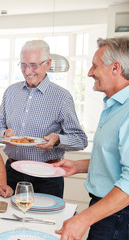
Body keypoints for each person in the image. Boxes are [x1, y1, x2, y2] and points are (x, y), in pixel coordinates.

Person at [54, 37, 129, 240]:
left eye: (95, 66)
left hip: (119, 215)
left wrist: (83, 219)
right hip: (108, 211)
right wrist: (79, 166)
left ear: (116, 68)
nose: (89, 72)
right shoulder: (114, 107)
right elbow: (116, 159)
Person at [0, 40, 88, 198]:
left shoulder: (62, 97)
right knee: (8, 220)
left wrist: (57, 139)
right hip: (11, 172)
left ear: (48, 63)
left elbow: (80, 140)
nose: (27, 71)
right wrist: (4, 134)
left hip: (47, 176)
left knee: (47, 221)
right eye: (23, 65)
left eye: (33, 65)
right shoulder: (10, 92)